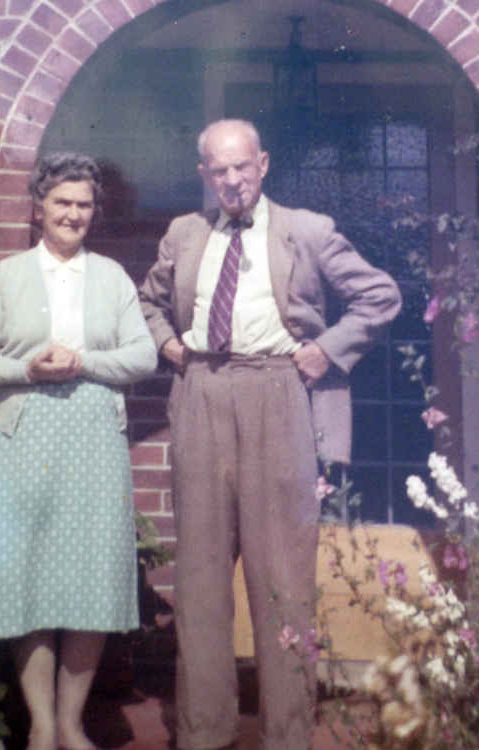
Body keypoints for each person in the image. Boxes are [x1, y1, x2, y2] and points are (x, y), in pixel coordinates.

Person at [139, 119, 402, 750]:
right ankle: (205, 732)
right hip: (200, 392)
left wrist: (326, 350)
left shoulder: (306, 231)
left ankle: (287, 735)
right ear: (204, 173)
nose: (231, 180)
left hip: (278, 393)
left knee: (282, 577)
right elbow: (146, 303)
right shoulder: (185, 232)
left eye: (242, 167)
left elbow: (380, 296)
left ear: (263, 164)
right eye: (218, 170)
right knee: (200, 579)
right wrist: (168, 343)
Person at [0, 152, 157, 750]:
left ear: (94, 212)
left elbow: (142, 356)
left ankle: (72, 723)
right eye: (62, 203)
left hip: (94, 441)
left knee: (91, 578)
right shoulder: (6, 276)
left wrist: (83, 360)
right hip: (23, 441)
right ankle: (42, 723)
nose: (73, 214)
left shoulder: (114, 277)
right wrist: (26, 366)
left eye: (84, 205)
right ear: (39, 207)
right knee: (31, 580)